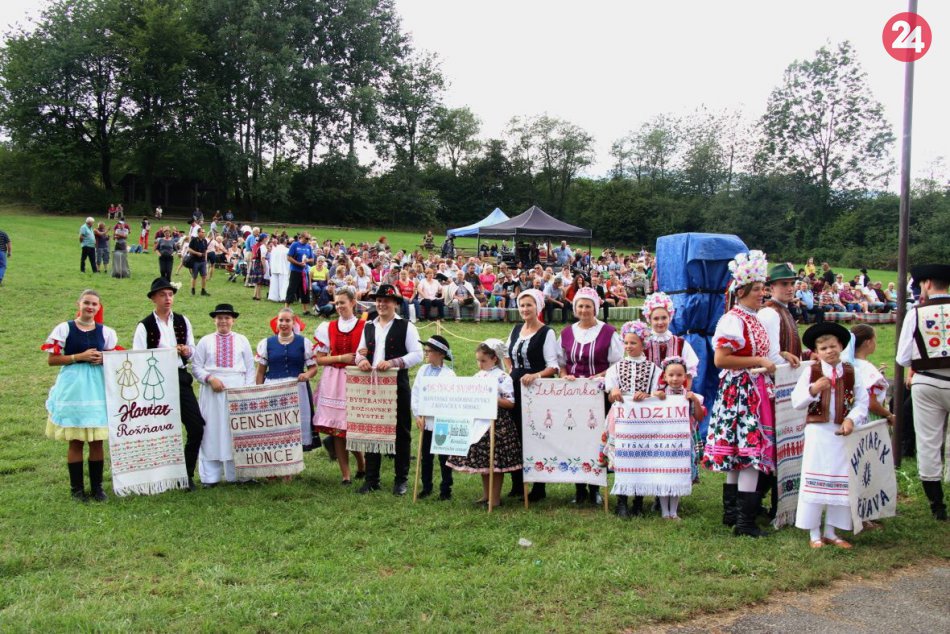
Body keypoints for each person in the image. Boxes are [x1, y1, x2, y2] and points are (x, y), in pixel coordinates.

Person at [701, 250, 777, 538]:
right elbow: (721, 360)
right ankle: (743, 522)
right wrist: (758, 362)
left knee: (739, 454)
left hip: (750, 391)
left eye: (762, 288)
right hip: (742, 392)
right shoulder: (733, 320)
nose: (762, 293)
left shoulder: (752, 317)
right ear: (742, 291)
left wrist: (780, 355)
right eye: (757, 289)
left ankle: (732, 513)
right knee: (749, 454)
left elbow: (758, 352)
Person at [791, 322, 868, 548]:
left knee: (839, 480)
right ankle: (814, 533)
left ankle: (832, 531)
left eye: (833, 346)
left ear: (841, 346)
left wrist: (851, 419)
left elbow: (862, 401)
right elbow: (797, 402)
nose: (829, 351)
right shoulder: (811, 372)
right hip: (818, 433)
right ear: (817, 351)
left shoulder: (852, 372)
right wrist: (813, 390)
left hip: (841, 434)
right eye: (823, 348)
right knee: (815, 478)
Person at [43, 290, 118, 501]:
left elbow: (115, 358)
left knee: (96, 441)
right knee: (75, 441)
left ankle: (97, 488)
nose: (90, 307)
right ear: (79, 304)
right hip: (73, 387)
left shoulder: (106, 332)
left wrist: (103, 358)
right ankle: (76, 489)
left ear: (99, 307)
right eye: (87, 303)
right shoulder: (64, 328)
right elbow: (52, 360)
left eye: (94, 304)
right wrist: (79, 357)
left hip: (96, 388)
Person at [133, 278, 206, 490]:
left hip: (180, 377)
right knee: (158, 430)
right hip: (155, 382)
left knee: (196, 427)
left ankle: (185, 475)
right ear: (153, 298)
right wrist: (163, 355)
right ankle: (155, 476)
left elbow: (193, 350)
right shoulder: (144, 326)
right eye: (163, 295)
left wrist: (186, 351)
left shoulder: (182, 321)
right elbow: (139, 358)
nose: (168, 298)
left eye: (170, 294)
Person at [355, 284, 423, 495]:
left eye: (386, 300)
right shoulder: (368, 325)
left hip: (396, 383)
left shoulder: (406, 326)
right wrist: (361, 360)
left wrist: (394, 362)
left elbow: (418, 354)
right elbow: (359, 352)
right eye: (379, 300)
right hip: (373, 385)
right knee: (372, 429)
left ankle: (400, 480)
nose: (382, 303)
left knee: (401, 432)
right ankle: (371, 479)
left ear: (395, 303)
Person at [559, 286, 623, 506]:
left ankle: (596, 487)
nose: (584, 310)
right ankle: (579, 488)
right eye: (580, 306)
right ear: (575, 308)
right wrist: (565, 375)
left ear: (595, 308)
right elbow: (561, 363)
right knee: (575, 437)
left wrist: (599, 376)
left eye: (588, 306)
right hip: (574, 394)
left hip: (599, 393)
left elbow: (617, 364)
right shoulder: (567, 332)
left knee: (597, 439)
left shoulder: (608, 332)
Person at [896, 263, 950, 521]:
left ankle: (937, 505)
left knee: (928, 441)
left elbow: (903, 357)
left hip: (927, 382)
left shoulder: (916, 313)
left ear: (927, 284)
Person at [447, 339, 521, 508]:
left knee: (495, 463)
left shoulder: (503, 377)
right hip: (480, 420)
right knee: (484, 462)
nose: (480, 364)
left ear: (494, 358)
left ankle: (495, 498)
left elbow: (511, 402)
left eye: (483, 361)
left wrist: (493, 399)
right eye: (478, 360)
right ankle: (486, 495)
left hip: (497, 423)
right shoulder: (478, 376)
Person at [757, 263, 804, 517]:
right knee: (775, 445)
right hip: (775, 386)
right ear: (771, 287)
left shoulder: (784, 311)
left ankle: (775, 502)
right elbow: (769, 354)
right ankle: (762, 502)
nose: (789, 288)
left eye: (791, 283)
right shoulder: (770, 313)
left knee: (782, 445)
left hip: (786, 384)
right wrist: (788, 358)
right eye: (783, 284)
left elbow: (786, 350)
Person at [191, 304, 255, 486]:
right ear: (214, 320)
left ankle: (238, 475)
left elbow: (250, 368)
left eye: (227, 318)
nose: (223, 321)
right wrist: (210, 378)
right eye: (220, 318)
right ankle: (211, 477)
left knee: (235, 432)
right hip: (212, 393)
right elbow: (196, 366)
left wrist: (247, 391)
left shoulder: (242, 340)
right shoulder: (205, 341)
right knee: (211, 431)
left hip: (237, 391)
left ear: (233, 320)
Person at [505, 289, 560, 501]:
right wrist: (510, 369)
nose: (525, 309)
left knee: (535, 435)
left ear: (538, 307)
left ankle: (539, 486)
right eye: (522, 305)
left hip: (536, 391)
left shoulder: (547, 333)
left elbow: (553, 366)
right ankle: (517, 484)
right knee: (515, 434)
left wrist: (535, 375)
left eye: (529, 305)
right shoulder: (516, 329)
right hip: (514, 387)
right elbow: (505, 353)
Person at [604, 320, 662, 518]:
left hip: (643, 421)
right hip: (621, 419)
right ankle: (621, 501)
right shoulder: (616, 368)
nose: (629, 346)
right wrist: (614, 391)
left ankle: (638, 500)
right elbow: (610, 389)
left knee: (641, 459)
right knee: (622, 458)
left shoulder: (654, 369)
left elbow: (658, 392)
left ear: (643, 343)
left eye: (633, 343)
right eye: (626, 343)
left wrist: (648, 395)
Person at [313, 287, 368, 484]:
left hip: (354, 379)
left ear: (353, 303)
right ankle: (345, 474)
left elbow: (367, 354)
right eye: (336, 303)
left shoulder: (364, 326)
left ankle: (362, 464)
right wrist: (341, 357)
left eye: (342, 302)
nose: (338, 307)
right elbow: (319, 360)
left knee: (351, 427)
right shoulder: (327, 327)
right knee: (337, 430)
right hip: (333, 379)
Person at [256, 308, 319, 459]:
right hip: (273, 389)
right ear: (276, 323)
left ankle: (293, 462)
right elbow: (260, 372)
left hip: (297, 389)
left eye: (287, 320)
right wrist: (258, 392)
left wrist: (306, 374)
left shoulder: (303, 342)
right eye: (281, 320)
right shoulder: (267, 343)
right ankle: (277, 460)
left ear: (293, 322)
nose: (284, 323)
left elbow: (313, 368)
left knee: (294, 425)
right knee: (275, 425)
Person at [656, 356, 706, 518]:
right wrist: (656, 397)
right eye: (671, 375)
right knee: (664, 475)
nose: (675, 379)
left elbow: (699, 417)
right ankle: (664, 511)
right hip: (663, 442)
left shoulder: (690, 396)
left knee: (678, 474)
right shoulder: (660, 395)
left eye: (679, 375)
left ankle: (674, 511)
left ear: (685, 377)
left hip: (683, 442)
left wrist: (695, 402)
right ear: (664, 377)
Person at [411, 335, 457, 500]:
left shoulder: (449, 375)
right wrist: (417, 415)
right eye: (425, 351)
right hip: (425, 421)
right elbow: (416, 392)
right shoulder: (423, 370)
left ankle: (446, 489)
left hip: (441, 422)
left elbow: (451, 399)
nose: (426, 354)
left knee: (444, 457)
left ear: (441, 354)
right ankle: (426, 486)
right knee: (426, 457)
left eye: (429, 351)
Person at [642, 292, 700, 377]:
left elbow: (689, 373)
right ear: (649, 320)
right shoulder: (644, 344)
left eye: (664, 318)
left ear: (670, 317)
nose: (660, 322)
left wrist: (686, 390)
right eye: (656, 318)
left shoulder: (681, 343)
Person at [850, 325, 894, 425]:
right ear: (868, 342)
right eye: (875, 340)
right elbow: (871, 403)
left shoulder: (846, 365)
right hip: (866, 420)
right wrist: (889, 415)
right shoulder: (867, 370)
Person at [286, 233, 313, 316]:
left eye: (309, 239)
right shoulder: (295, 245)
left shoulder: (308, 247)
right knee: (292, 288)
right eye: (306, 238)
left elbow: (312, 259)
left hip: (304, 271)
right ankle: (286, 308)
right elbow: (289, 257)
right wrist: (298, 263)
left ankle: (305, 310)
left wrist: (306, 261)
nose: (308, 240)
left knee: (304, 290)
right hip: (295, 270)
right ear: (301, 237)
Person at [268, 238, 290, 302]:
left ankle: (273, 297)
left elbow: (271, 260)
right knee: (284, 284)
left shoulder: (274, 250)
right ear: (285, 242)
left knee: (274, 283)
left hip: (274, 268)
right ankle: (283, 297)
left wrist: (271, 268)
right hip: (283, 268)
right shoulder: (287, 250)